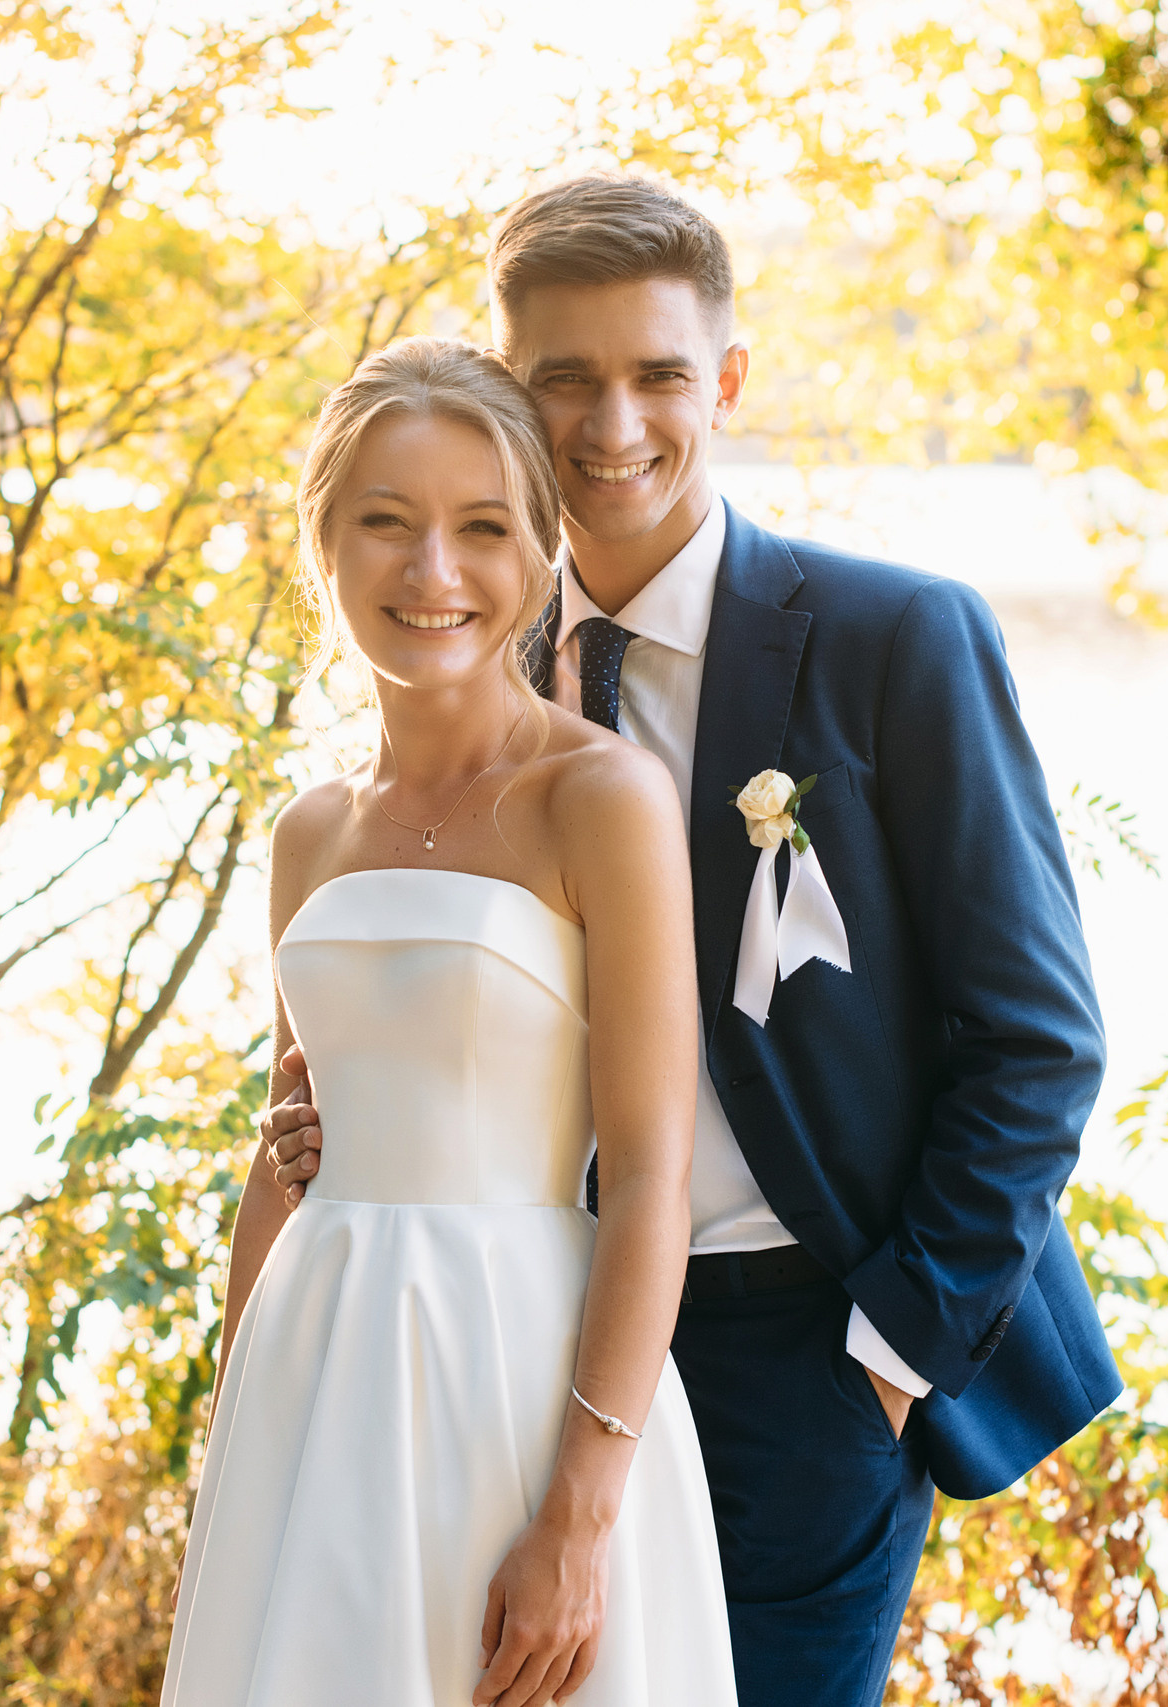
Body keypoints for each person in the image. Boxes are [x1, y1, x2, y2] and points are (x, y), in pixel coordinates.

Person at [264, 176, 1123, 1707]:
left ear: (725, 381)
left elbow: (1040, 1040)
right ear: (513, 404)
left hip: (811, 1350)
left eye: (659, 375)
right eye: (565, 381)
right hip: (517, 1340)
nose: (613, 426)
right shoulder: (467, 640)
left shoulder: (892, 641)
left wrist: (887, 1352)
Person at [160, 337, 736, 1706]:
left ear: (540, 557)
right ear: (325, 550)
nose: (433, 575)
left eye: (481, 528)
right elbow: (290, 1143)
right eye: (386, 525)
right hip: (320, 1380)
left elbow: (653, 1170)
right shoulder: (309, 832)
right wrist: (238, 1446)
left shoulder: (598, 798)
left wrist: (582, 1514)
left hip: (517, 1377)